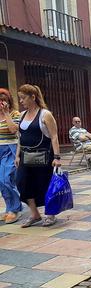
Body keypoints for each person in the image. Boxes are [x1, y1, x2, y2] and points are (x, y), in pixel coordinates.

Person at [15, 84, 62, 227]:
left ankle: (50, 214)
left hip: (44, 156)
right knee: (22, 183)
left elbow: (54, 136)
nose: (21, 101)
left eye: (23, 98)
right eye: (20, 98)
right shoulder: (22, 115)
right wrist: (17, 155)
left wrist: (57, 157)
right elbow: (20, 137)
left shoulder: (45, 114)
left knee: (45, 184)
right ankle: (35, 214)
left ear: (33, 97)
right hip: (25, 156)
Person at [0, 88, 22, 224]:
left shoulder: (14, 113)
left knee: (6, 178)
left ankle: (15, 209)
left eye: (4, 100)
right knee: (0, 181)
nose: (1, 103)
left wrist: (6, 113)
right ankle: (9, 208)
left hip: (10, 148)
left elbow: (14, 130)